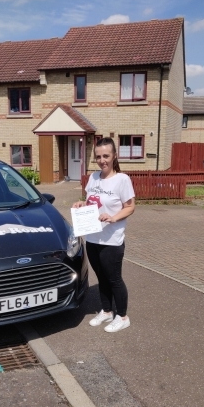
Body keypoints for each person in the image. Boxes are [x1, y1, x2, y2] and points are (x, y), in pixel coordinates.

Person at [72, 137, 135, 332]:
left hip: (112, 240)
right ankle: (107, 311)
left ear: (114, 156)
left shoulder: (122, 180)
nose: (102, 160)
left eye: (106, 156)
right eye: (98, 157)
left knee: (114, 278)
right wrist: (82, 204)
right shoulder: (93, 177)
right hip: (93, 237)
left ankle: (122, 317)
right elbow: (90, 200)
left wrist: (114, 218)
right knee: (101, 276)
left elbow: (130, 207)